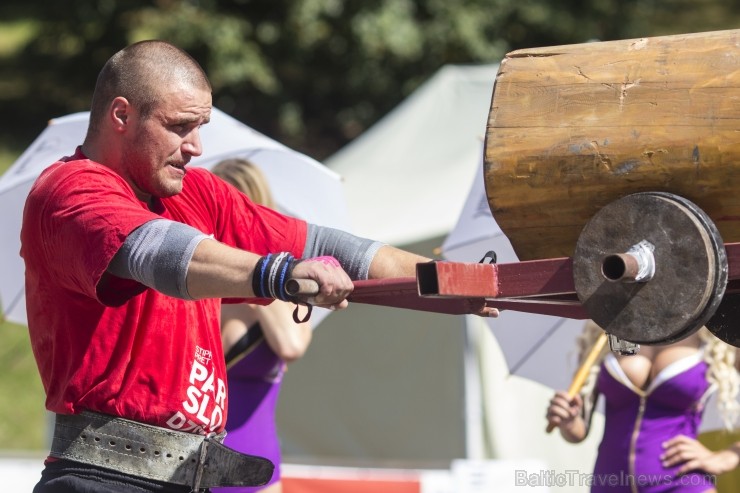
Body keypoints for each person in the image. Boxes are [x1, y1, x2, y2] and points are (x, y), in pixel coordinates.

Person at [20, 40, 499, 493]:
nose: (197, 146)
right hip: (100, 480)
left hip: (195, 477)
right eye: (181, 125)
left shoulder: (200, 192)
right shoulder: (68, 190)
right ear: (122, 114)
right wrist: (281, 274)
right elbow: (158, 253)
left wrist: (447, 284)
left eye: (201, 126)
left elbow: (326, 244)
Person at [210, 158, 312, 493]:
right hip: (188, 463)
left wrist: (253, 278)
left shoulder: (285, 284)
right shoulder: (198, 283)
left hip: (255, 465)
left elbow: (292, 346)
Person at [546, 321, 740, 492]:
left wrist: (728, 457)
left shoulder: (718, 327)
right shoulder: (605, 323)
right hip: (609, 482)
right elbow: (579, 432)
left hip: (681, 483)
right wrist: (569, 421)